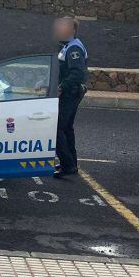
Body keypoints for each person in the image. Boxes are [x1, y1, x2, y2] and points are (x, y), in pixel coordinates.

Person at [53, 15, 88, 179]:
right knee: (66, 129)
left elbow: (78, 73)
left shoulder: (74, 48)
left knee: (57, 128)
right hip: (69, 93)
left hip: (70, 94)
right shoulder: (67, 46)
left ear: (72, 30)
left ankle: (67, 165)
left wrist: (61, 87)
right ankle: (71, 163)